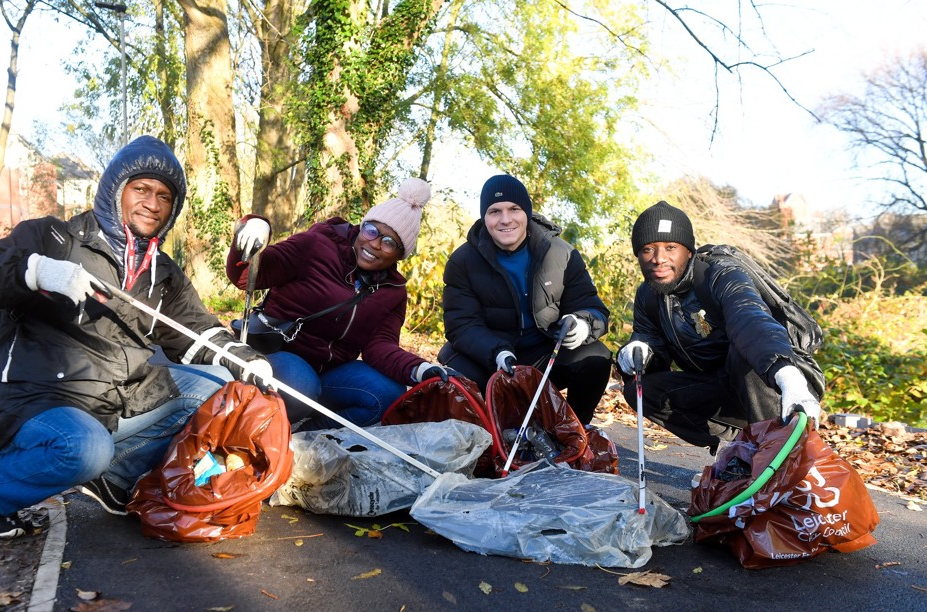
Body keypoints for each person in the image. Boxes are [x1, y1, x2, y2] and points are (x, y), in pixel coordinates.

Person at [0, 135, 275, 538]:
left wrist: (242, 358)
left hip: (114, 395)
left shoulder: (162, 273)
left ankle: (117, 477)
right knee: (85, 449)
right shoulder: (52, 239)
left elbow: (196, 332)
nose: (152, 203)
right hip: (36, 396)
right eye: (142, 189)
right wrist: (33, 272)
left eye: (165, 196)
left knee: (220, 388)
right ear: (116, 190)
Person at [226, 177, 453, 430]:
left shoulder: (393, 291)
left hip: (332, 370)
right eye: (372, 230)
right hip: (279, 356)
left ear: (400, 255)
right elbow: (245, 276)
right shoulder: (317, 245)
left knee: (387, 394)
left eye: (389, 243)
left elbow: (379, 346)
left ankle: (306, 438)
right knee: (301, 386)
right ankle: (259, 430)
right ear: (362, 225)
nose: (375, 244)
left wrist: (419, 369)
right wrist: (254, 226)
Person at [616, 200, 823, 453]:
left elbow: (751, 321)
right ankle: (735, 449)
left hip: (777, 378)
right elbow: (651, 344)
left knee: (744, 351)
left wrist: (789, 378)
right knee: (641, 389)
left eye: (670, 247)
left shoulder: (721, 275)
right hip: (720, 387)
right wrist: (639, 349)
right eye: (648, 249)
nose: (659, 259)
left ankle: (777, 457)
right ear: (638, 254)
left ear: (689, 251)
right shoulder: (648, 295)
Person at [438, 174, 613, 425]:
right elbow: (461, 325)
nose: (505, 219)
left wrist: (583, 324)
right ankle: (491, 427)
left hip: (545, 353)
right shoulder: (462, 262)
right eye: (494, 211)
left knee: (596, 357)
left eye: (514, 209)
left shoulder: (562, 253)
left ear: (527, 212)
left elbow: (592, 307)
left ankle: (574, 430)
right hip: (490, 357)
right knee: (457, 379)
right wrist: (497, 351)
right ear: (484, 217)